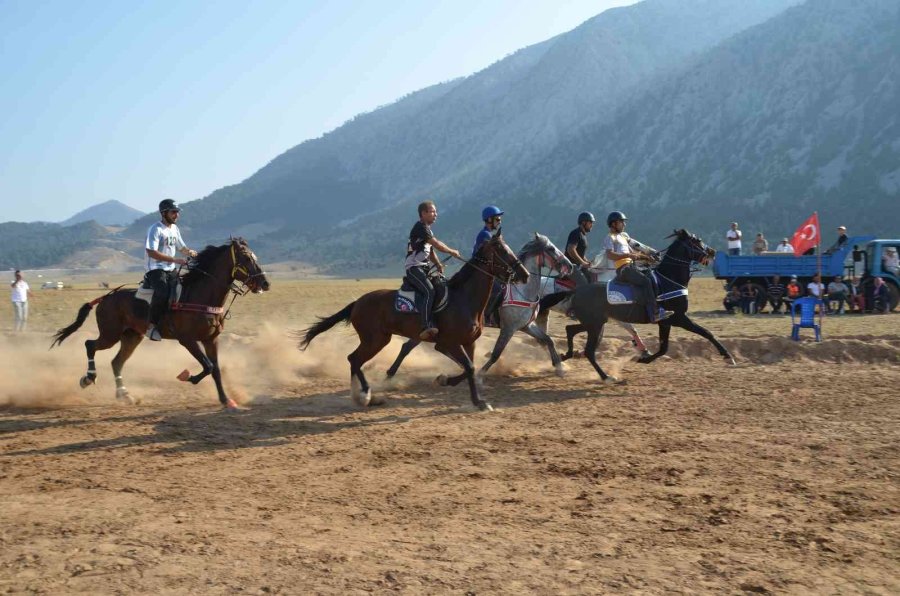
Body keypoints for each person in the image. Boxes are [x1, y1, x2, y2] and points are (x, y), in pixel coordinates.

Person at [405, 200, 463, 340]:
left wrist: (438, 265)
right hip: (414, 268)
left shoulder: (426, 229)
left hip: (423, 267)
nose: (436, 214)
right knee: (429, 291)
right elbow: (436, 244)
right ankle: (425, 326)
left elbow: (430, 250)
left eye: (435, 212)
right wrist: (451, 251)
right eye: (432, 212)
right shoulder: (420, 227)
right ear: (423, 213)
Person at [143, 199, 198, 341]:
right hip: (155, 269)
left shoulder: (175, 229)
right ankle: (151, 326)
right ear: (164, 213)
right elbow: (151, 252)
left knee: (183, 289)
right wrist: (175, 260)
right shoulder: (155, 229)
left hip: (170, 269)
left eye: (177, 212)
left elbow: (182, 248)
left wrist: (191, 253)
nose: (177, 215)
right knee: (162, 292)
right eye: (173, 212)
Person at [604, 211, 672, 323]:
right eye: (622, 222)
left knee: (651, 275)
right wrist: (629, 255)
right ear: (614, 224)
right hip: (623, 270)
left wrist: (647, 258)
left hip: (631, 266)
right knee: (645, 281)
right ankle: (654, 312)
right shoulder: (609, 238)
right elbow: (610, 254)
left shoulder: (622, 237)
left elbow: (635, 254)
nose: (624, 224)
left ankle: (658, 306)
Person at [565, 212, 595, 279]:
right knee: (584, 284)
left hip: (577, 266)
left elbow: (580, 253)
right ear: (583, 222)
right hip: (571, 266)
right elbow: (571, 249)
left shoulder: (583, 235)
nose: (592, 225)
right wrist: (583, 263)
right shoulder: (576, 233)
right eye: (590, 222)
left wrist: (587, 262)